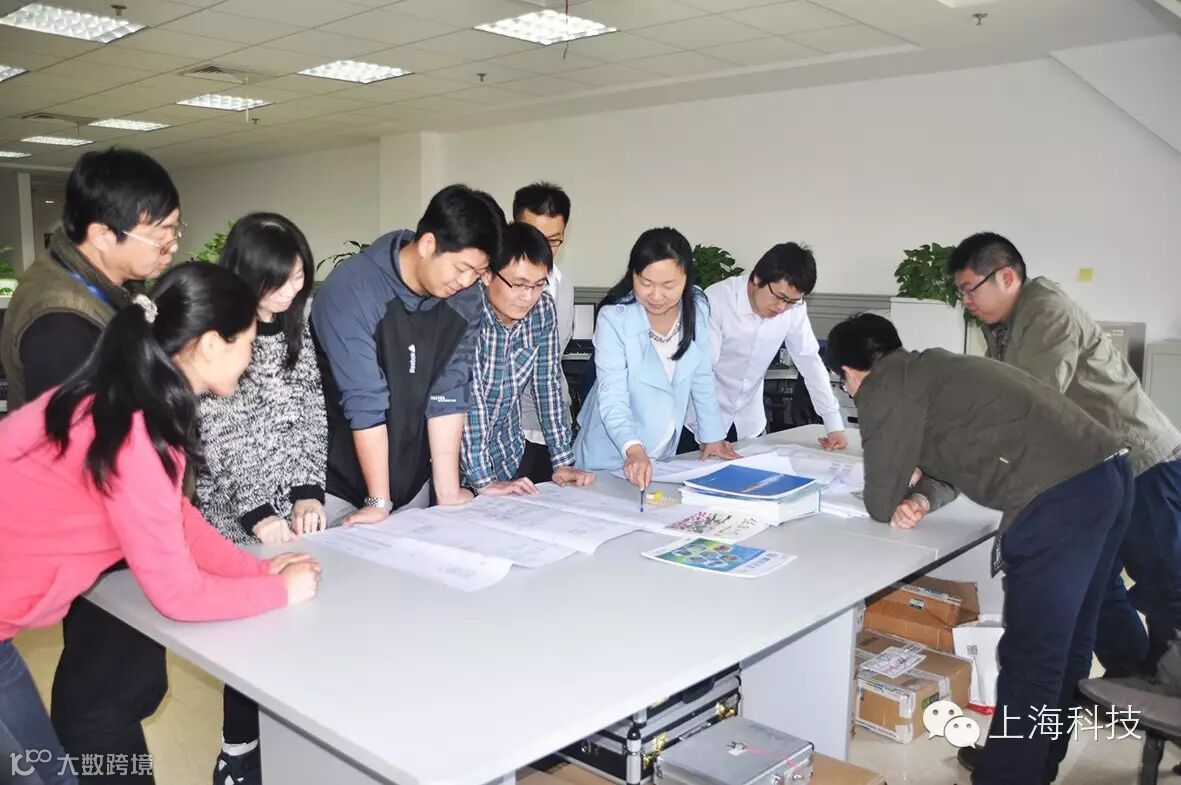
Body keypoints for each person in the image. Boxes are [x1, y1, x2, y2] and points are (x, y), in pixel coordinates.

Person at [0, 263, 321, 785]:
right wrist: (279, 593)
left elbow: (178, 517)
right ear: (211, 345)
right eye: (248, 343)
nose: (253, 358)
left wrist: (257, 571)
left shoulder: (135, 403)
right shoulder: (133, 427)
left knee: (51, 775)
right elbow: (178, 596)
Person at [826, 313, 1131, 785]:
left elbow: (880, 501)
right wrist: (923, 496)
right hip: (1107, 475)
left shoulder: (881, 387)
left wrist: (902, 479)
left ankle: (1006, 775)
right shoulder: (932, 369)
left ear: (849, 371)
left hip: (1059, 497)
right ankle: (1034, 764)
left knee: (1032, 656)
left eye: (843, 382)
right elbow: (953, 462)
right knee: (1069, 644)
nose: (848, 391)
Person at [0, 147, 181, 784]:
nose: (171, 246)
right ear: (104, 234)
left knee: (98, 697)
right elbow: (93, 461)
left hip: (79, 549)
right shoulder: (63, 320)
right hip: (78, 545)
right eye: (160, 234)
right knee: (102, 699)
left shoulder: (97, 291)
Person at [948, 232, 1181, 680]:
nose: (966, 301)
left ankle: (1170, 694)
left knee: (1165, 589)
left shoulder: (1045, 310)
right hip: (1097, 471)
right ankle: (1134, 681)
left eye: (969, 289)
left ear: (1006, 277)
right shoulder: (1004, 324)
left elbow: (1032, 402)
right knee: (1097, 584)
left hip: (1142, 464)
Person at [193, 214, 328, 785]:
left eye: (300, 276)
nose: (293, 289)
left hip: (290, 511)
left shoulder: (295, 325)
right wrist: (258, 513)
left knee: (297, 635)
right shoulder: (219, 333)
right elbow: (220, 432)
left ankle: (290, 751)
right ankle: (239, 754)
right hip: (233, 516)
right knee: (251, 642)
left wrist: (307, 493)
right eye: (282, 279)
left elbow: (311, 409)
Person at [312, 185, 505, 524]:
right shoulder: (352, 288)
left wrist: (447, 492)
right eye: (461, 268)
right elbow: (364, 400)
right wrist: (378, 501)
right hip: (337, 485)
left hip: (411, 482)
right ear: (429, 244)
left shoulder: (465, 300)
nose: (466, 281)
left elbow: (449, 389)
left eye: (477, 273)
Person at [574, 227, 738, 489]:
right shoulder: (615, 317)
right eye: (645, 283)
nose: (656, 296)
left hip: (662, 456)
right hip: (607, 455)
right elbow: (612, 397)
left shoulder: (697, 307)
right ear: (633, 274)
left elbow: (702, 376)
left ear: (686, 278)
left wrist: (712, 436)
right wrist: (633, 449)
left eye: (668, 285)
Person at [461, 222, 594, 495]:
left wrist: (562, 461)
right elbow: (471, 404)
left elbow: (547, 385)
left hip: (506, 453)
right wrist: (484, 481)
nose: (528, 297)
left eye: (537, 285)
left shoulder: (542, 310)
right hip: (454, 460)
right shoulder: (465, 314)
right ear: (487, 274)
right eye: (519, 284)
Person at [684, 242, 846, 452]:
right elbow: (704, 370)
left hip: (748, 424)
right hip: (702, 423)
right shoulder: (718, 300)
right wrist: (711, 434)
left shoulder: (793, 308)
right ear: (758, 279)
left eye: (791, 301)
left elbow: (809, 360)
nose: (782, 307)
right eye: (779, 297)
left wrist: (833, 424)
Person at [512, 183, 576, 483]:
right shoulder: (496, 286)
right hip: (508, 429)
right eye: (534, 236)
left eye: (554, 240)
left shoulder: (563, 285)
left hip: (550, 426)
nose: (544, 249)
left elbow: (551, 364)